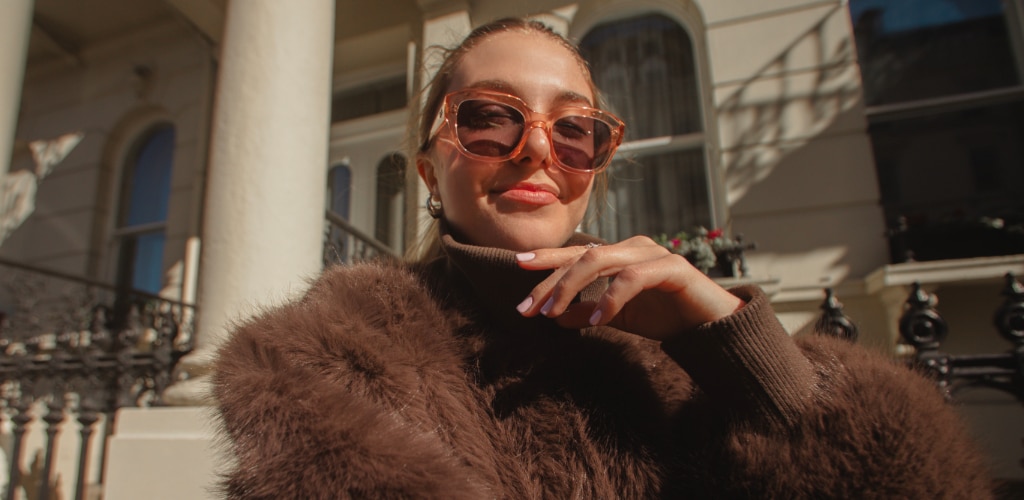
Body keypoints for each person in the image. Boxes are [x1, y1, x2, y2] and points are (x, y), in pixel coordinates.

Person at [212, 18, 993, 499]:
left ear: (594, 166)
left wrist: (734, 344)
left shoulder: (671, 356)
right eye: (490, 120)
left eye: (575, 129)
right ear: (428, 169)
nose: (537, 151)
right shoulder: (320, 355)